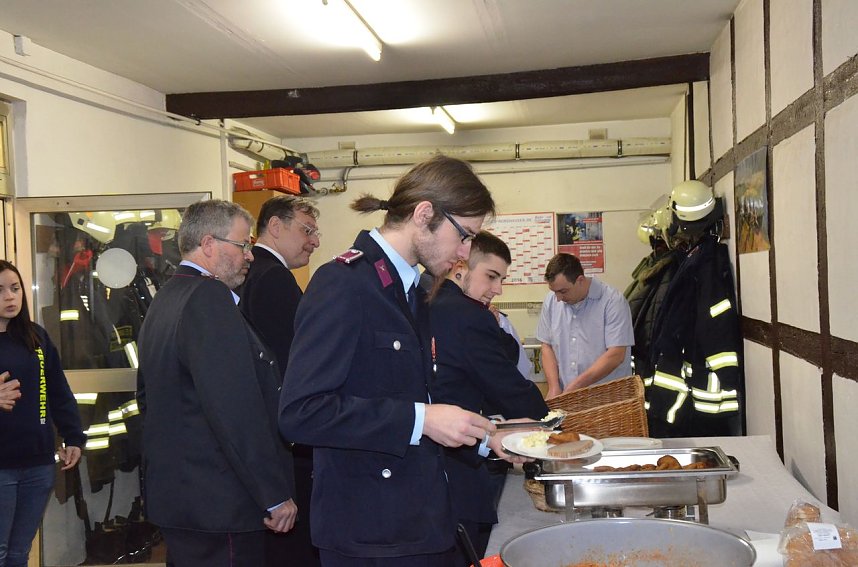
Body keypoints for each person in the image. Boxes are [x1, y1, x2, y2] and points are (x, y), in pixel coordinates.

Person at [279, 155, 498, 566]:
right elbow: (300, 412)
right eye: (464, 235)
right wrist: (421, 420)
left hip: (419, 522)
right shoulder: (343, 283)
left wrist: (487, 439)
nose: (465, 252)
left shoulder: (409, 288)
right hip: (371, 535)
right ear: (424, 213)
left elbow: (410, 394)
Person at [136, 200, 296, 566]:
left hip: (182, 499)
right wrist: (272, 493)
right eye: (242, 246)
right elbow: (234, 409)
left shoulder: (167, 297)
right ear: (209, 245)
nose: (250, 256)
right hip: (219, 501)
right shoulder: (209, 299)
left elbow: (147, 398)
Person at [429, 231, 548, 563]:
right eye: (491, 276)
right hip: (460, 464)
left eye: (501, 279)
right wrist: (548, 423)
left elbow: (496, 354)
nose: (497, 289)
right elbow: (503, 381)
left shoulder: (433, 302)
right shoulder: (465, 313)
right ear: (460, 265)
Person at [238, 194, 321, 566]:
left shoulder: (252, 274)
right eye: (306, 230)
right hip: (282, 442)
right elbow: (295, 368)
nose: (314, 241)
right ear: (274, 226)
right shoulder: (274, 279)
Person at [0, 260, 86, 567]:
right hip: (2, 469)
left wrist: (74, 436)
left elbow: (58, 390)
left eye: (15, 288)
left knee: (19, 553)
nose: (10, 297)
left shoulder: (35, 336)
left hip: (37, 463)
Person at [537, 253, 634, 397]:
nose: (558, 298)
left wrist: (574, 387)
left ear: (580, 280)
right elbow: (547, 346)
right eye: (554, 291)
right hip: (568, 397)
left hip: (608, 399)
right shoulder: (551, 301)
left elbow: (616, 354)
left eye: (563, 291)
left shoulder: (613, 301)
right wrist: (554, 387)